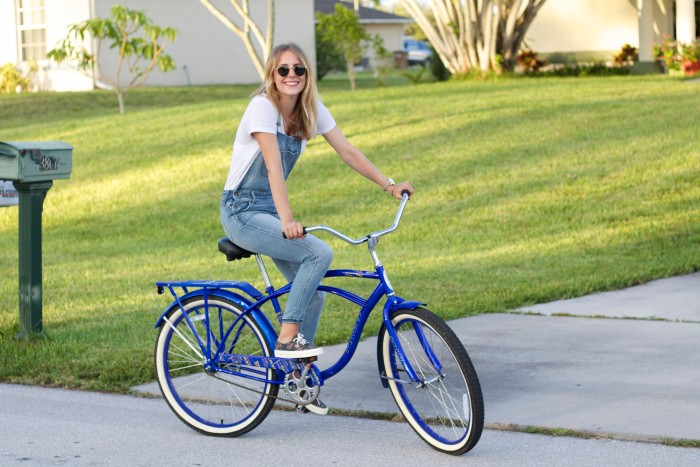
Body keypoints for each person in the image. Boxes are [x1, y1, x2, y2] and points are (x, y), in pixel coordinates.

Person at [220, 43, 413, 413]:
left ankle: (297, 376)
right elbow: (273, 167)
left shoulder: (311, 110)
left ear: (307, 75)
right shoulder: (262, 108)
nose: (292, 76)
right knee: (319, 252)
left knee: (316, 294)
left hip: (267, 212)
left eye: (299, 70)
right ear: (271, 76)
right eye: (283, 70)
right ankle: (288, 339)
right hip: (241, 209)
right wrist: (288, 220)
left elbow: (347, 151)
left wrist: (388, 184)